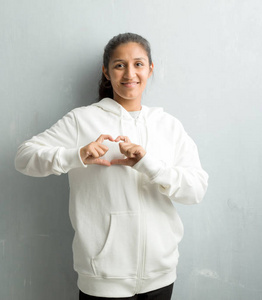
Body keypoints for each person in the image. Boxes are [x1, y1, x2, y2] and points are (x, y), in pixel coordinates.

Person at [14, 33, 208, 300]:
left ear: (150, 69)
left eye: (138, 64)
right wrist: (77, 155)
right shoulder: (82, 120)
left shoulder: (168, 126)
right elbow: (24, 158)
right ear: (106, 72)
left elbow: (196, 190)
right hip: (102, 280)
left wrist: (148, 164)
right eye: (119, 65)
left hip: (161, 278)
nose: (130, 73)